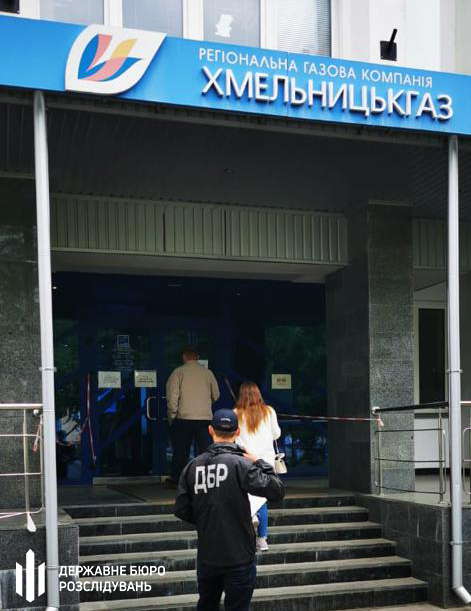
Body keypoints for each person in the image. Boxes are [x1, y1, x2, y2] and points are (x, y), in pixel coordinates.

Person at [174, 409, 284, 611]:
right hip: (239, 554)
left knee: (206, 605)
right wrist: (259, 461)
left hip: (208, 554)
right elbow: (276, 490)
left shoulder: (193, 466)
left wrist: (207, 519)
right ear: (237, 432)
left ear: (210, 430)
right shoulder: (242, 464)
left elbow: (182, 509)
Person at [234, 381, 282, 551]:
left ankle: (252, 517)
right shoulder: (269, 411)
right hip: (266, 462)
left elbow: (233, 437)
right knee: (262, 497)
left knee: (245, 494)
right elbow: (277, 434)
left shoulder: (236, 413)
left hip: (245, 459)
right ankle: (262, 538)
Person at [166, 347, 220, 486]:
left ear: (184, 357)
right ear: (197, 358)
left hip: (184, 418)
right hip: (204, 418)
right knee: (206, 451)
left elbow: (172, 397)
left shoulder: (178, 372)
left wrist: (172, 415)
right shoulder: (208, 373)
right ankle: (209, 479)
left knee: (181, 451)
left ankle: (177, 479)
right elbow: (216, 395)